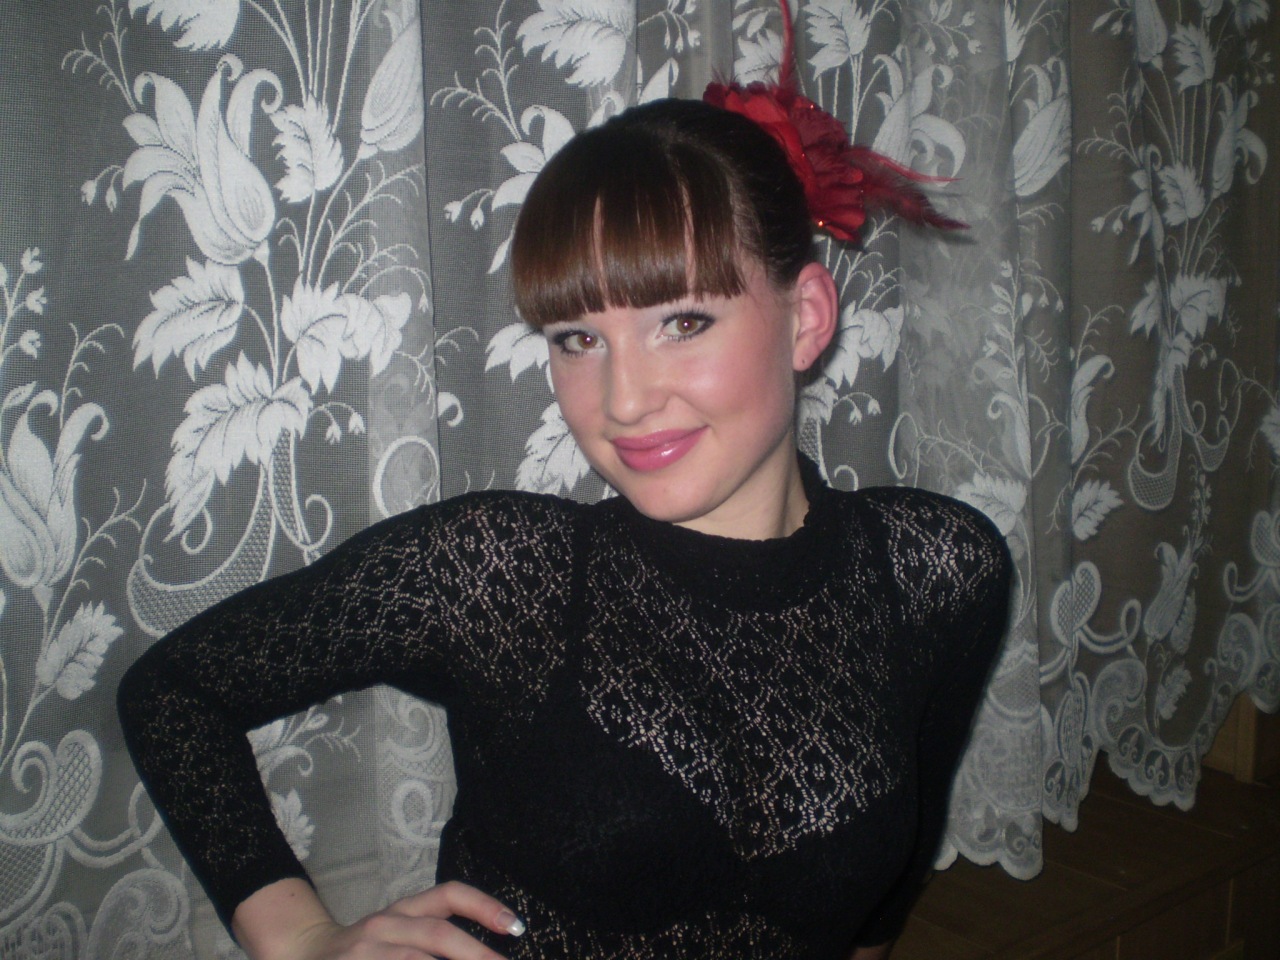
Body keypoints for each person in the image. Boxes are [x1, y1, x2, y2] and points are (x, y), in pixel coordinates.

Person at [117, 25, 1012, 960]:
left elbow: (888, 883)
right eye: (578, 339)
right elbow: (175, 694)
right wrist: (301, 938)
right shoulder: (502, 576)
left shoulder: (937, 569)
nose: (622, 401)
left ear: (807, 318)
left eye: (682, 322)